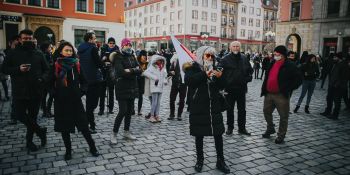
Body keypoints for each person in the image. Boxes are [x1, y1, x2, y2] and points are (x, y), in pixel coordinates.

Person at [184, 46, 230, 174]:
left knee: (218, 133)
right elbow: (189, 81)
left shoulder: (216, 68)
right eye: (207, 55)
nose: (210, 58)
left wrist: (221, 77)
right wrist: (205, 74)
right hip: (198, 104)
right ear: (201, 56)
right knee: (199, 134)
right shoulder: (192, 67)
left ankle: (220, 160)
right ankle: (200, 160)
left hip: (214, 104)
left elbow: (223, 85)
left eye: (212, 56)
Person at [51, 41, 100, 160]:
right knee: (65, 128)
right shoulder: (55, 65)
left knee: (83, 126)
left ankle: (92, 147)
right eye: (66, 50)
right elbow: (49, 82)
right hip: (61, 102)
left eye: (70, 50)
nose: (68, 52)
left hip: (75, 101)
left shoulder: (76, 64)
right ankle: (68, 151)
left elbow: (84, 82)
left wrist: (80, 92)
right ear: (61, 51)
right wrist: (54, 94)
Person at [2, 29, 49, 152]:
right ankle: (40, 131)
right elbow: (4, 69)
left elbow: (47, 70)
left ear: (32, 38)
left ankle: (29, 142)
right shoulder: (13, 53)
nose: (27, 40)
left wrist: (41, 79)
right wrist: (18, 69)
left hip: (36, 91)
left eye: (29, 38)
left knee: (32, 117)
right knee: (19, 115)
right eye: (25, 38)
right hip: (19, 91)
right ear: (20, 39)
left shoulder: (38, 53)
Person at [261, 45, 302, 144]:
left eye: (277, 53)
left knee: (283, 116)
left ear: (283, 54)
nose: (275, 54)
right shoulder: (273, 62)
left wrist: (288, 88)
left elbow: (299, 79)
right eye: (274, 53)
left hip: (281, 95)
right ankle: (270, 128)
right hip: (269, 93)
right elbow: (268, 76)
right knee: (266, 111)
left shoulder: (290, 65)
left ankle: (281, 135)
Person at [110, 38, 141, 144]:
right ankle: (114, 134)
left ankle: (126, 132)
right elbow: (120, 72)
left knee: (129, 111)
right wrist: (134, 70)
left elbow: (140, 69)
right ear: (122, 46)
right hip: (122, 87)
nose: (129, 46)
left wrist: (130, 70)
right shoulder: (118, 56)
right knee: (122, 111)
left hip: (132, 87)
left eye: (130, 45)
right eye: (127, 45)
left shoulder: (132, 55)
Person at [219, 41, 253, 136]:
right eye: (234, 46)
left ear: (240, 47)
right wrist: (225, 83)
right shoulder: (225, 59)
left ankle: (242, 128)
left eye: (237, 46)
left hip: (241, 89)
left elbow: (250, 70)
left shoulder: (244, 58)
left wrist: (248, 78)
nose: (235, 48)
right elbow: (220, 73)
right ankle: (230, 128)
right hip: (229, 89)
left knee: (242, 110)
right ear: (230, 47)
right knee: (230, 110)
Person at [78, 32, 103, 134]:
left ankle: (86, 124)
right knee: (92, 105)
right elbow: (98, 63)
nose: (95, 39)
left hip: (84, 79)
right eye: (94, 38)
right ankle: (90, 126)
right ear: (89, 39)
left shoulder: (80, 48)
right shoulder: (93, 48)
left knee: (89, 104)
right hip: (93, 79)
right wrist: (103, 63)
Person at [320, 52, 349, 119]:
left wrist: (337, 84)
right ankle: (328, 111)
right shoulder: (335, 64)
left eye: (335, 57)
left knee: (337, 101)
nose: (334, 58)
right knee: (329, 98)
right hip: (332, 85)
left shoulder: (344, 65)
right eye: (334, 57)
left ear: (339, 58)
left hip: (338, 86)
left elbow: (344, 77)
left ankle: (335, 115)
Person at [98, 37, 119, 115]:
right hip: (104, 72)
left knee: (111, 92)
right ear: (108, 43)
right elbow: (99, 61)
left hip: (112, 73)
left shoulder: (117, 50)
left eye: (113, 43)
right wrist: (103, 61)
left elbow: (118, 62)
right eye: (110, 43)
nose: (112, 44)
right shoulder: (103, 49)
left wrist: (112, 63)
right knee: (102, 92)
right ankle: (101, 109)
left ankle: (110, 108)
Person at [143, 55, 168, 123]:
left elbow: (164, 76)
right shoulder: (152, 67)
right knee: (154, 102)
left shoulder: (162, 68)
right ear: (155, 61)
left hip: (160, 87)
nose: (160, 61)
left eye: (161, 60)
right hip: (154, 86)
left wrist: (165, 81)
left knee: (158, 102)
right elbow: (145, 72)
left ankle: (156, 115)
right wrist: (154, 77)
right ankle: (152, 116)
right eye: (159, 60)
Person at [3, 35, 20, 125]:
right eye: (15, 44)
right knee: (15, 100)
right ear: (11, 44)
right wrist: (17, 69)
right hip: (16, 81)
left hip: (28, 81)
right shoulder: (9, 53)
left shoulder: (24, 52)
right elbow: (4, 69)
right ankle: (14, 117)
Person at [168, 54, 187, 121]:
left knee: (182, 100)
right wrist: (171, 72)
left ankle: (179, 115)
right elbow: (169, 71)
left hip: (183, 84)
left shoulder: (186, 63)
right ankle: (172, 114)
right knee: (172, 99)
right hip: (175, 83)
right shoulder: (175, 61)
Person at [40, 42, 54, 118]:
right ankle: (45, 112)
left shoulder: (49, 54)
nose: (51, 49)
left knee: (50, 95)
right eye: (49, 47)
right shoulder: (43, 55)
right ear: (46, 48)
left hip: (49, 79)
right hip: (45, 79)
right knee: (45, 96)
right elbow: (46, 67)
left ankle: (47, 111)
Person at [136, 50, 148, 116]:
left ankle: (139, 110)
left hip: (142, 81)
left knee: (140, 96)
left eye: (145, 56)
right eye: (143, 56)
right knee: (134, 95)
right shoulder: (137, 62)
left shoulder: (146, 63)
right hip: (136, 80)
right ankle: (132, 109)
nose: (144, 57)